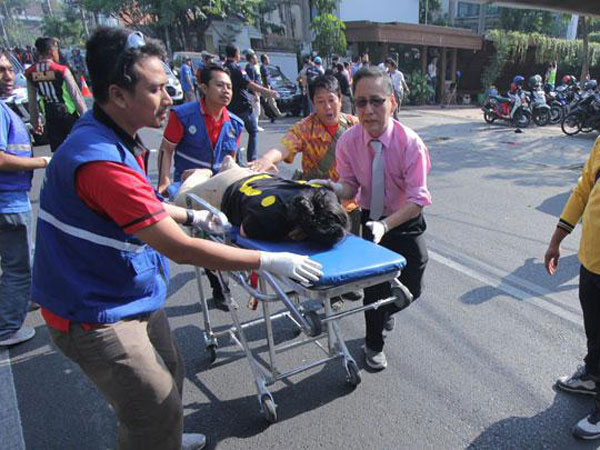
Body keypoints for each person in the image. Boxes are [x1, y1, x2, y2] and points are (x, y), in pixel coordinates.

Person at [31, 27, 322, 450]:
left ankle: (165, 437)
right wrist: (267, 261)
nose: (169, 96)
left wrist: (193, 214)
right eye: (157, 88)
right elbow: (180, 249)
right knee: (153, 403)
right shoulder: (98, 160)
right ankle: (157, 436)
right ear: (118, 94)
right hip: (93, 310)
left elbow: (143, 205)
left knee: (171, 371)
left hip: (128, 288)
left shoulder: (115, 137)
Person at [316, 66, 431, 370]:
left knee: (413, 288)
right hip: (370, 218)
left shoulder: (410, 144)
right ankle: (373, 344)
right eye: (361, 102)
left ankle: (387, 311)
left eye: (376, 101)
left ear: (392, 102)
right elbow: (351, 186)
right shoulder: (348, 142)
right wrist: (335, 188)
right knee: (374, 289)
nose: (368, 110)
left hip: (404, 220)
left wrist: (386, 225)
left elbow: (418, 200)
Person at [158, 64, 245, 305]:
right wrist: (164, 180)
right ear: (204, 88)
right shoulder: (183, 116)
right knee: (206, 239)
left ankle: (226, 272)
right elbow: (167, 149)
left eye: (229, 86)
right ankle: (220, 289)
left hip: (220, 188)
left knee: (228, 234)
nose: (226, 91)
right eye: (220, 85)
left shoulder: (235, 124)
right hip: (193, 189)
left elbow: (232, 161)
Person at [545, 136, 600, 440]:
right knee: (594, 328)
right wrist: (556, 240)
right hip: (591, 260)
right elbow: (582, 190)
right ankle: (592, 375)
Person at [175, 156, 349, 246]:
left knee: (254, 187)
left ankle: (231, 165)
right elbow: (244, 232)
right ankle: (201, 174)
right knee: (179, 202)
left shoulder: (324, 196)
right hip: (226, 187)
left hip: (259, 178)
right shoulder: (272, 218)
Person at [0, 51, 50, 347]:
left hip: (12, 199)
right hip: (7, 201)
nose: (8, 76)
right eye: (1, 70)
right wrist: (42, 163)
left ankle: (25, 299)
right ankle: (7, 327)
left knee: (19, 261)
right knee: (18, 267)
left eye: (9, 69)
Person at [25, 37, 87, 152]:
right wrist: (85, 116)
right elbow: (76, 95)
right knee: (79, 144)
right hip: (67, 113)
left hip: (50, 114)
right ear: (51, 52)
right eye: (56, 50)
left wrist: (35, 122)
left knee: (59, 150)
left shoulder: (30, 73)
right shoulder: (61, 70)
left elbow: (32, 101)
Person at [224, 44, 277, 164]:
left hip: (229, 107)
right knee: (253, 131)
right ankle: (251, 159)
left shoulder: (223, 68)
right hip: (242, 106)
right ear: (236, 54)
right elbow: (250, 84)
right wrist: (268, 92)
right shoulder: (237, 69)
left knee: (234, 135)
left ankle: (235, 160)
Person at [260, 53, 284, 122]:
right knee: (271, 100)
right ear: (264, 60)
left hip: (266, 86)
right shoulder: (263, 68)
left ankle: (262, 115)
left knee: (264, 101)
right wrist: (268, 87)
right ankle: (278, 114)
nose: (269, 60)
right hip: (266, 86)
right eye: (267, 59)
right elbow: (265, 78)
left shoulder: (264, 67)